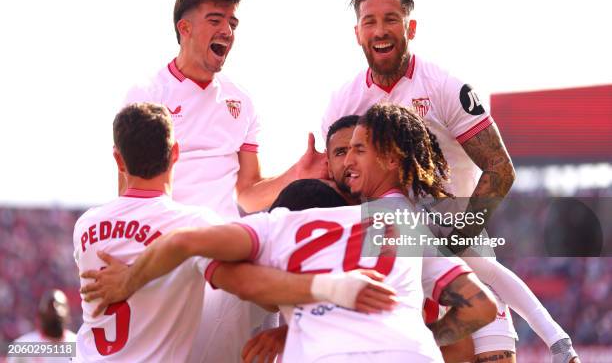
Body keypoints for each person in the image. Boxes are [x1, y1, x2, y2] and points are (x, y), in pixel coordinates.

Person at [80, 107, 501, 362]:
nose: (346, 162)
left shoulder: (281, 226)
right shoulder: (403, 224)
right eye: (342, 151)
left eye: (356, 150)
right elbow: (481, 306)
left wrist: (129, 279)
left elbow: (197, 250)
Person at [321, 0, 579, 363]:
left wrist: (457, 237)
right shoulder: (343, 99)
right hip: (393, 249)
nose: (379, 30)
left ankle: (559, 344)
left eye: (391, 19)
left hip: (453, 229)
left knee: (488, 300)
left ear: (410, 28)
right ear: (357, 32)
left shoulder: (444, 86)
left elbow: (500, 168)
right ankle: (558, 342)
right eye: (369, 21)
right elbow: (334, 179)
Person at [123, 0, 326, 363]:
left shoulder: (240, 100)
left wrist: (296, 175)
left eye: (233, 23)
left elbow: (247, 192)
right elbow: (129, 188)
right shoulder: (148, 93)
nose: (228, 32)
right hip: (168, 254)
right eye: (215, 20)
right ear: (184, 28)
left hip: (224, 251)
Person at [8, 289, 76, 363]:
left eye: (60, 305)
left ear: (68, 314)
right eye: (50, 306)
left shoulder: (79, 345)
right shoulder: (22, 347)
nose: (56, 310)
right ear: (41, 314)